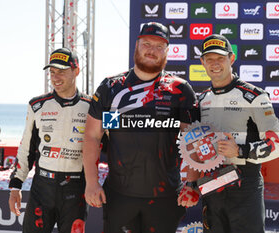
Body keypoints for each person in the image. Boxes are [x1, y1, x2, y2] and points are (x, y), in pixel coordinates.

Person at [83, 22, 200, 233]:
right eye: (147, 43)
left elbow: (192, 139)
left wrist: (191, 183)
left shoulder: (180, 90)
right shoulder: (111, 87)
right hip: (119, 195)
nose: (151, 50)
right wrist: (91, 183)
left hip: (165, 196)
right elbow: (92, 136)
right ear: (137, 45)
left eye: (158, 46)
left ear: (167, 51)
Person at [181, 34, 279, 233]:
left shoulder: (254, 96)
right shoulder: (201, 100)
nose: (215, 64)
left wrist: (239, 150)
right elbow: (194, 148)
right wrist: (190, 184)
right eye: (209, 59)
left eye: (220, 58)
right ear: (202, 62)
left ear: (231, 59)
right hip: (211, 184)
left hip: (245, 185)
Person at [8, 48, 90, 233]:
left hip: (76, 188)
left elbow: (115, 141)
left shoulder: (92, 106)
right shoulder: (37, 105)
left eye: (61, 71)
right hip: (42, 187)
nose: (56, 77)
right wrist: (15, 186)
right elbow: (26, 149)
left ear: (76, 71)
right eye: (52, 72)